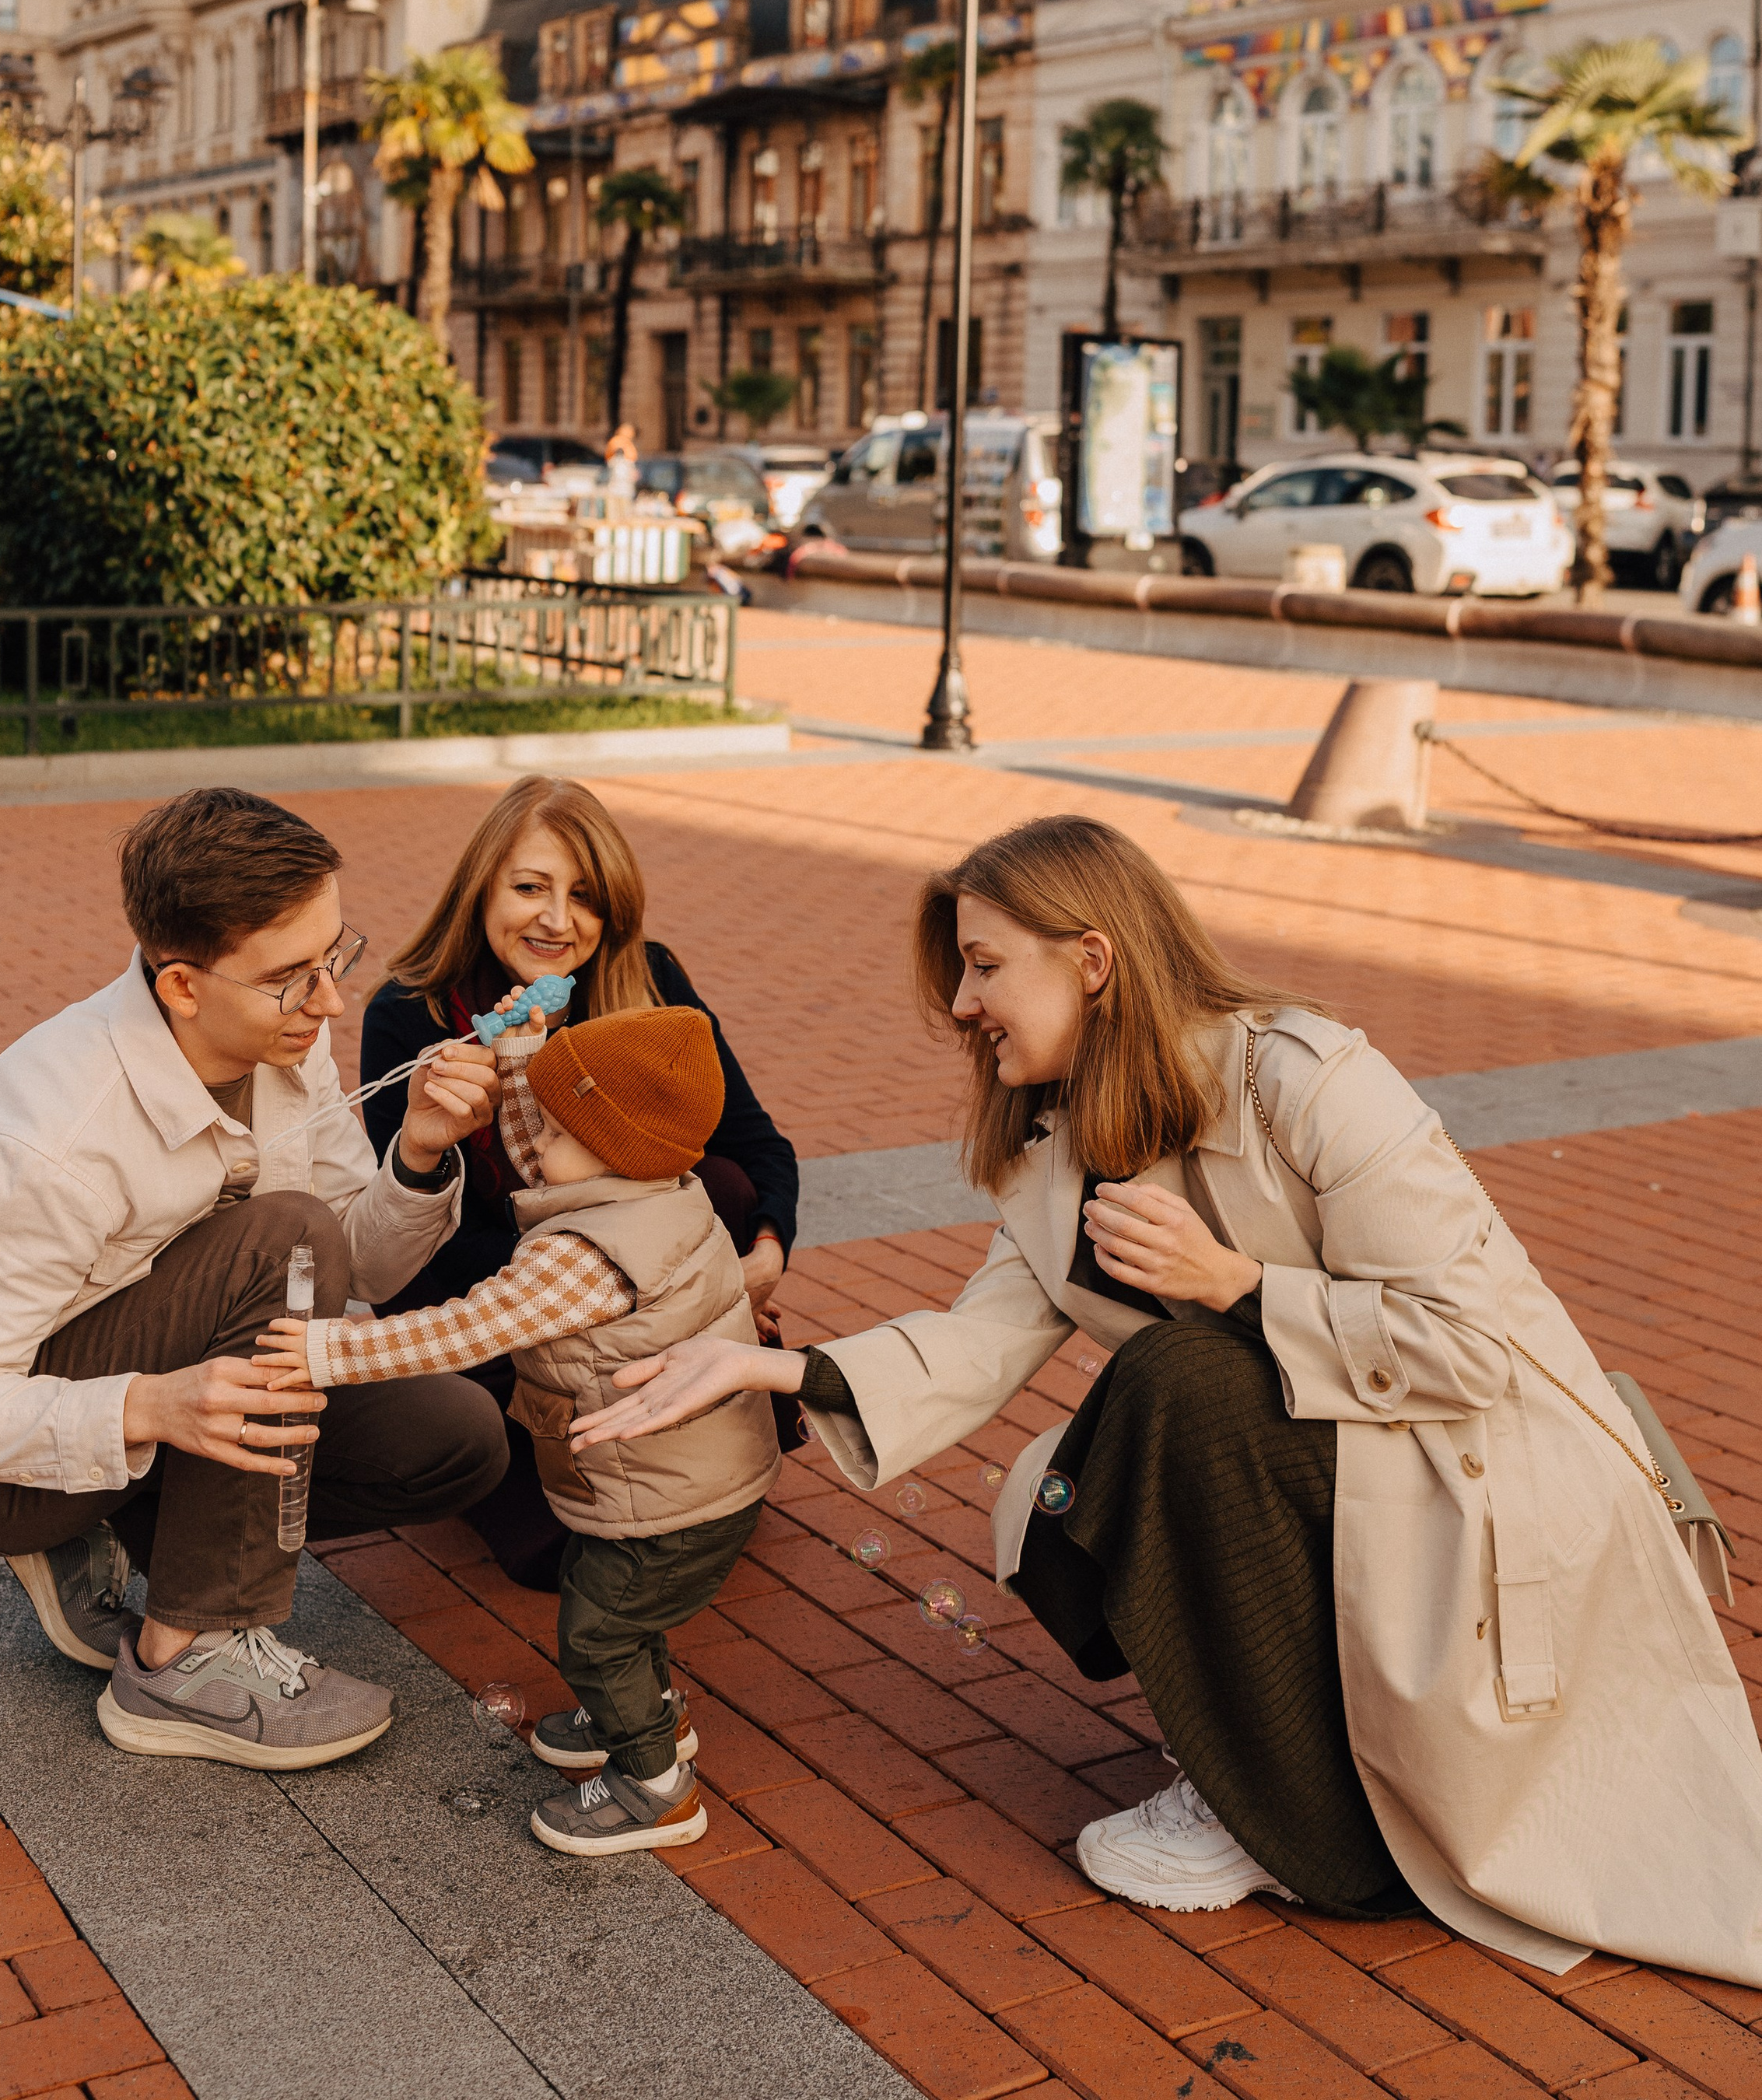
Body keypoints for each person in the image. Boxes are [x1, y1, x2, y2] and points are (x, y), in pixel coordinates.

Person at [569, 811, 1762, 1981]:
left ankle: (1305, 1832)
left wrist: (1240, 1285)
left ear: (1093, 960)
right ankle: (1273, 1766)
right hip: (1349, 1468)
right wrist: (765, 1365)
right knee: (1090, 1469)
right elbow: (980, 1338)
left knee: (1175, 1381)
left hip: (1483, 1472)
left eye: (985, 966)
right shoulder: (1057, 1141)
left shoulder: (1304, 1080)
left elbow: (1473, 1345)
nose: (962, 1003)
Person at [0, 786, 509, 1772]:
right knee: (282, 1235)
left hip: (157, 1379)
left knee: (456, 1443)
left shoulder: (281, 1040)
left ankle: (142, 1519)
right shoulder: (49, 1138)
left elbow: (361, 1265)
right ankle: (183, 1660)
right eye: (292, 977)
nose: (330, 1001)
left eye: (335, 956)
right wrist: (153, 1406)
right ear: (183, 987)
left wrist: (415, 1155)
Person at [260, 994, 776, 1857]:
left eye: (561, 1129)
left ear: (610, 1149)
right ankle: (649, 1718)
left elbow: (461, 1329)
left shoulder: (589, 1259)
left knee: (598, 1629)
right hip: (688, 1473)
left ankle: (656, 1788)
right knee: (620, 1604)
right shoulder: (658, 1189)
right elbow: (551, 1138)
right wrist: (522, 1055)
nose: (530, 1145)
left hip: (667, 1490)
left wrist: (326, 1353)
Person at [358, 775, 797, 1586]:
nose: (558, 921)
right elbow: (424, 1249)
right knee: (554, 1557)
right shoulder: (412, 1014)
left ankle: (692, 1418)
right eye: (530, 887)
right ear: (480, 886)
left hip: (624, 1301)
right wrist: (572, 1293)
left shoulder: (646, 981)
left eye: (586, 897)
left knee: (728, 1191)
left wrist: (764, 1253)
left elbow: (756, 1146)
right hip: (492, 1307)